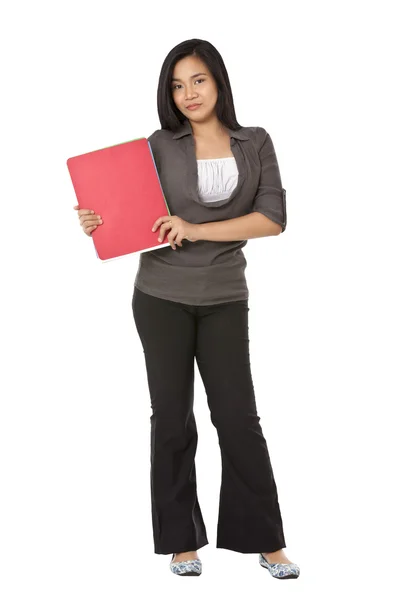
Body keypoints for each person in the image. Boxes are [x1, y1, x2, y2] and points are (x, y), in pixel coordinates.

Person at [74, 38, 300, 580]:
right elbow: (131, 213)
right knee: (171, 420)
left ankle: (266, 541)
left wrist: (195, 228)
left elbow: (272, 218)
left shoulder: (255, 142)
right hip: (160, 298)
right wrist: (97, 220)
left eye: (197, 80)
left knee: (238, 420)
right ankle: (181, 543)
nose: (187, 93)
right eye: (177, 85)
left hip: (224, 297)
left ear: (219, 80)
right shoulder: (160, 144)